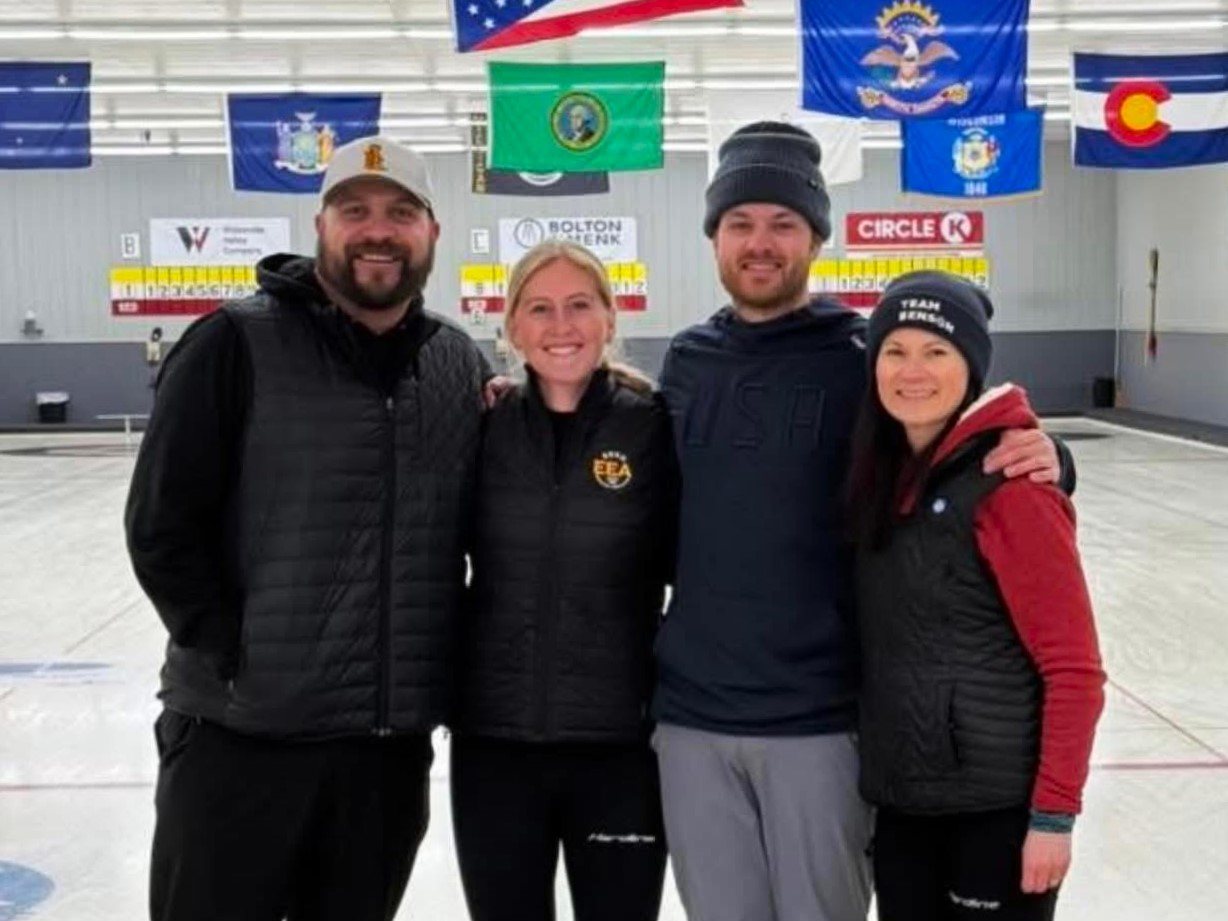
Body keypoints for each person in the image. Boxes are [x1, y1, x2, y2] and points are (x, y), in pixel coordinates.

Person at [649, 121, 1073, 921]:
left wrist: (1052, 455)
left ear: (816, 238)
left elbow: (953, 433)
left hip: (821, 718)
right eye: (740, 222)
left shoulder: (859, 356)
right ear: (714, 237)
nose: (760, 242)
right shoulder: (687, 359)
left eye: (783, 223)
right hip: (692, 715)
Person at [125, 135, 490, 921]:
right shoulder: (233, 342)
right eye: (354, 210)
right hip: (240, 742)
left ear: (432, 232)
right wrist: (232, 655)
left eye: (401, 212)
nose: (377, 230)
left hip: (383, 755)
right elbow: (161, 522)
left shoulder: (457, 364)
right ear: (320, 226)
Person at [849, 270, 1105, 920]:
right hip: (906, 808)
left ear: (971, 366)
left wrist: (1053, 817)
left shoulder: (1012, 487)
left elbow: (1074, 669)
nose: (913, 371)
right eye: (895, 351)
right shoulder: (882, 480)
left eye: (936, 351)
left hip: (996, 816)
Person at [450, 240, 676, 921]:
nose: (561, 325)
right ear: (512, 327)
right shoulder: (481, 427)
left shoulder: (653, 429)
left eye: (579, 305)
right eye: (540, 309)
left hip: (620, 747)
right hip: (495, 745)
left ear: (609, 318)